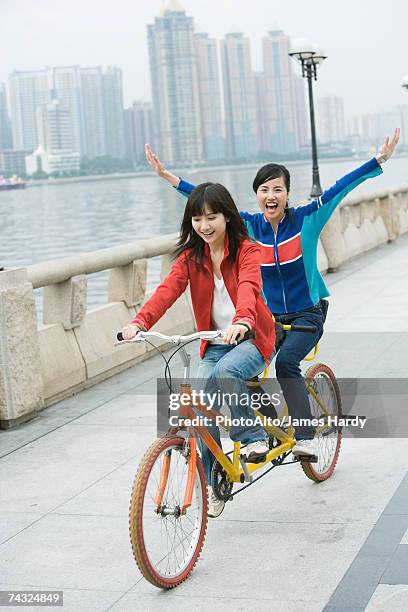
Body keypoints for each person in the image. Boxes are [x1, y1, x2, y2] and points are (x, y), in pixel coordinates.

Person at [145, 128, 400, 457]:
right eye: (264, 189)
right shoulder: (249, 225)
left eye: (277, 189)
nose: (271, 195)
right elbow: (208, 206)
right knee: (243, 374)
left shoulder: (308, 218)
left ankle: (306, 438)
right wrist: (170, 178)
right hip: (269, 318)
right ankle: (269, 430)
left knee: (286, 365)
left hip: (308, 313)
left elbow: (341, 188)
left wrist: (377, 160)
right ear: (257, 195)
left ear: (286, 193)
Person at [121, 182, 276, 517]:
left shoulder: (248, 250)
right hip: (215, 343)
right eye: (197, 219)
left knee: (225, 373)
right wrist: (140, 322)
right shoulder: (191, 259)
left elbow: (249, 287)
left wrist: (243, 320)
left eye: (212, 217)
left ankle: (252, 436)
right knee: (198, 407)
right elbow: (167, 291)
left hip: (251, 338)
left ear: (227, 217)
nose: (204, 226)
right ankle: (216, 478)